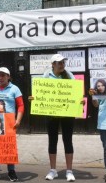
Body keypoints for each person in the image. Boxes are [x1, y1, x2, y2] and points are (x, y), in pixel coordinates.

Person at [34, 54, 77, 182]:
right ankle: (53, 170)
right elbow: (40, 93)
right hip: (51, 113)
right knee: (52, 140)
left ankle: (69, 171)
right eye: (58, 63)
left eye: (63, 62)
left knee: (67, 140)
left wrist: (80, 101)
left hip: (67, 112)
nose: (61, 64)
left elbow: (76, 93)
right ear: (53, 64)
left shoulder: (69, 75)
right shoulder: (46, 76)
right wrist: (34, 98)